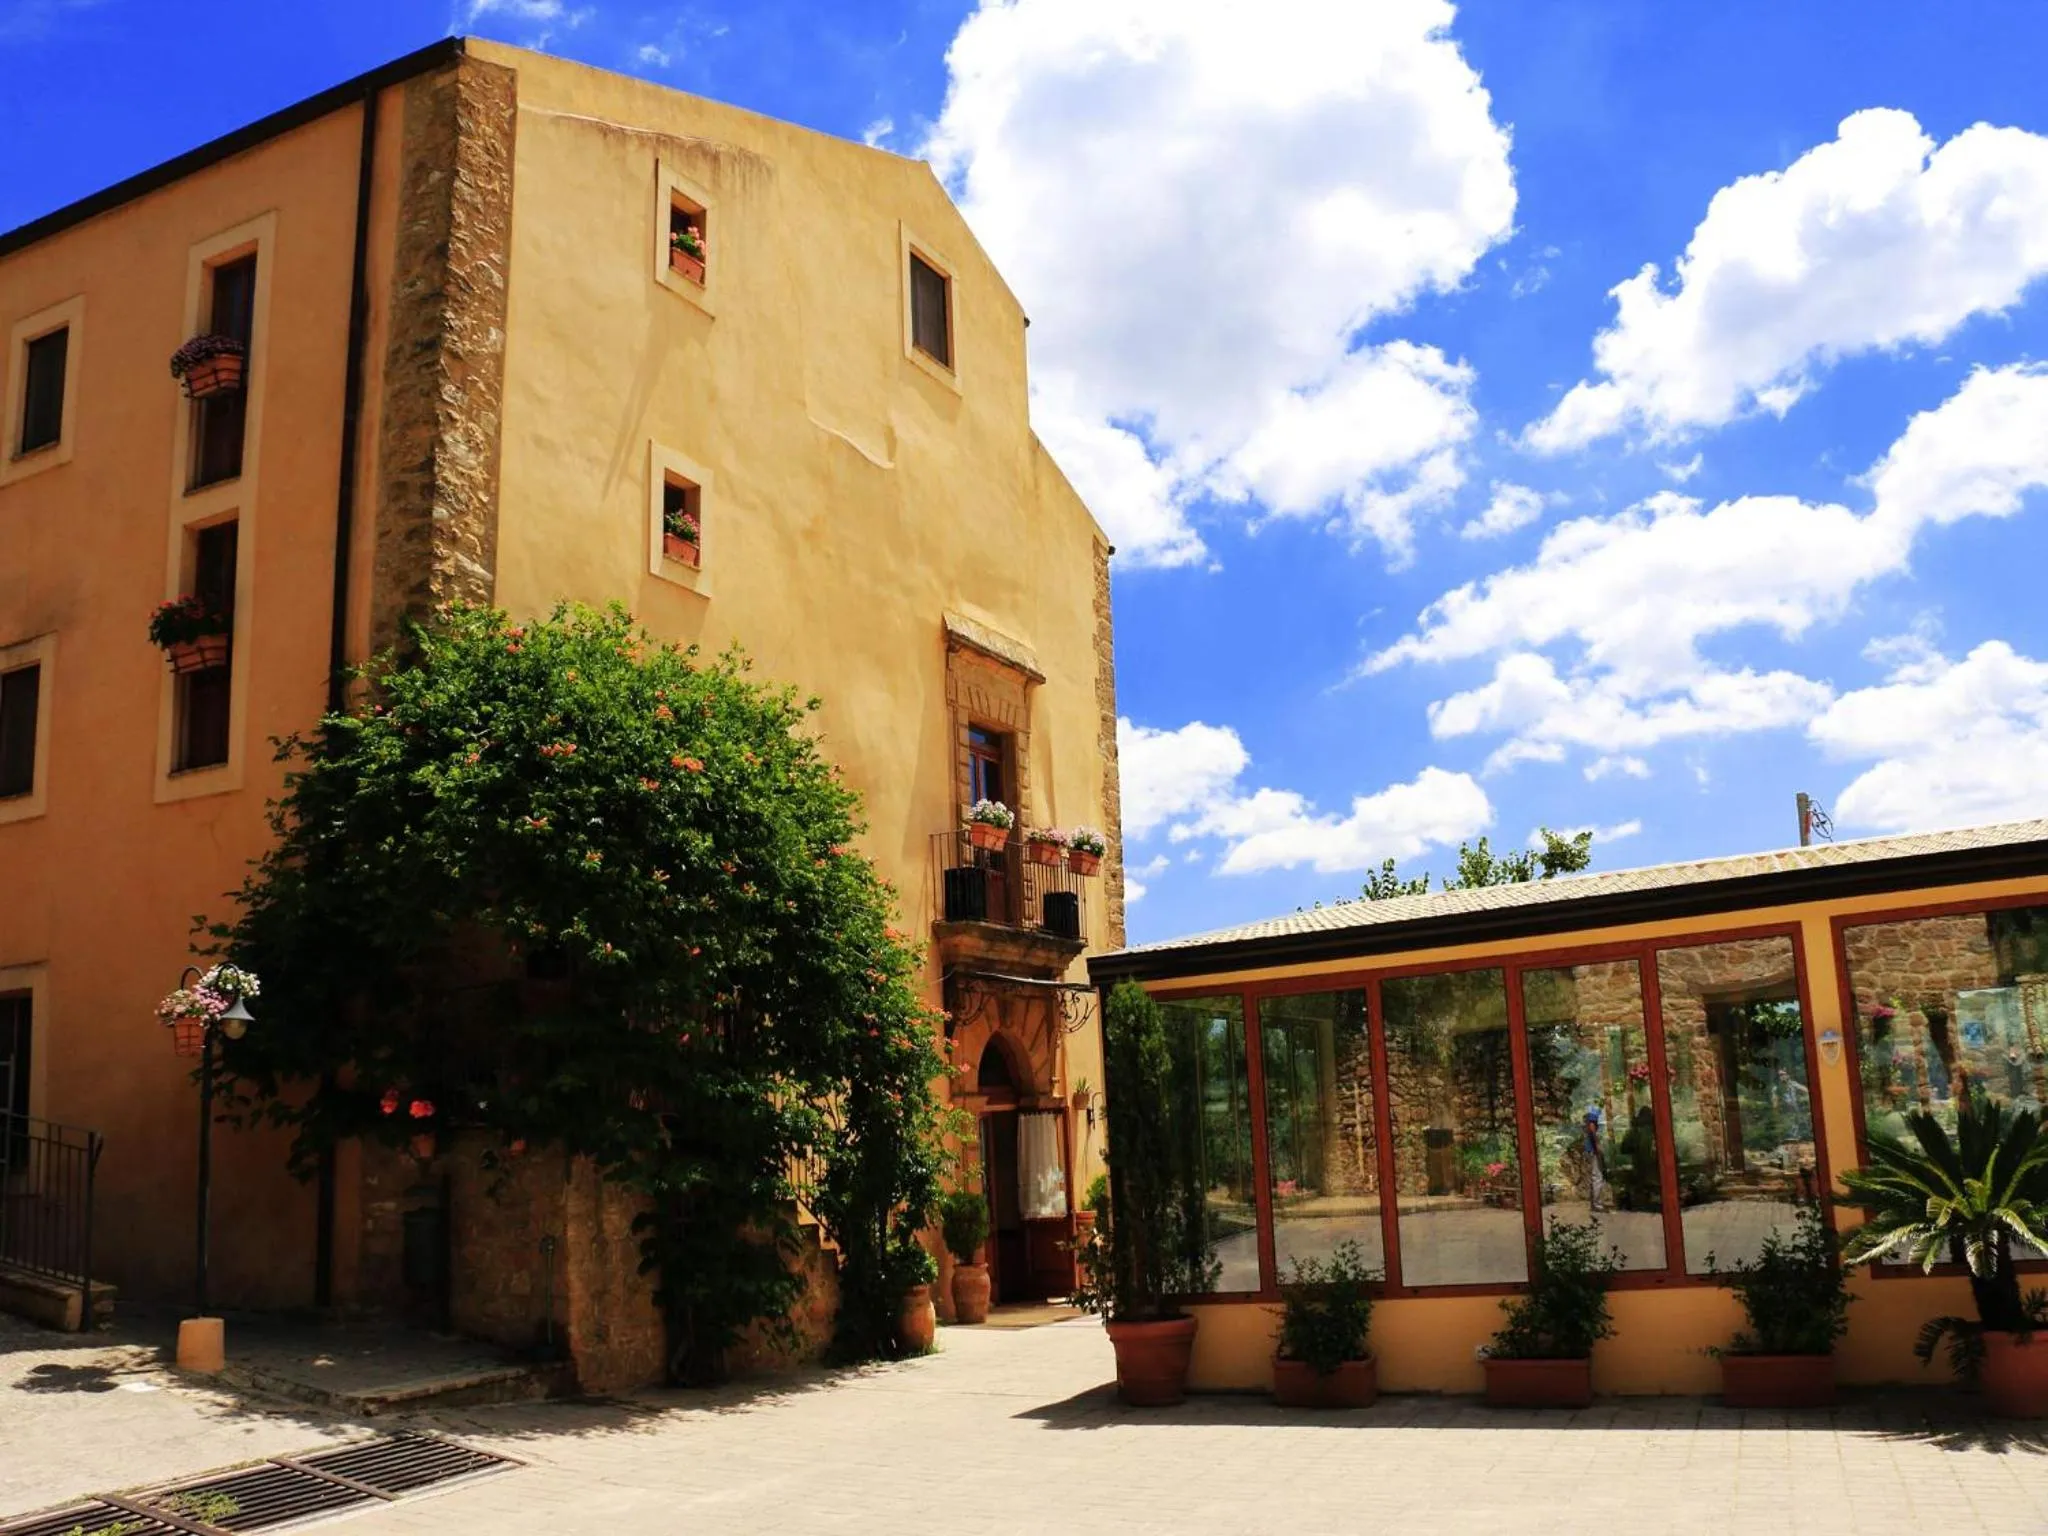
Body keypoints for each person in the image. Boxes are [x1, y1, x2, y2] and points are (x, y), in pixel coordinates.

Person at [1581, 1105, 1607, 1214]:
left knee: (1594, 1176)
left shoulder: (1588, 1118)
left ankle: (1595, 1203)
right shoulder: (1593, 1118)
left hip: (1589, 1150)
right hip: (1593, 1150)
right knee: (1598, 1176)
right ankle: (1597, 1204)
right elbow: (1592, 1130)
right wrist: (1597, 1147)